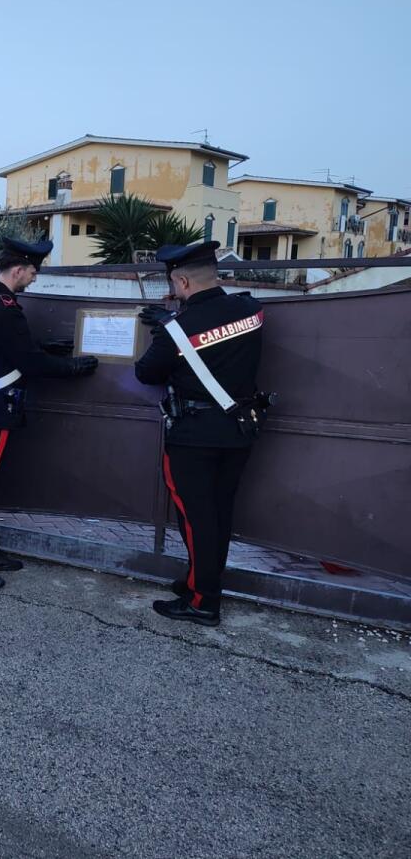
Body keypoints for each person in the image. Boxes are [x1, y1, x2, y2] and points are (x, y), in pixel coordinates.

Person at [0, 238, 99, 590]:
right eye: (32, 272)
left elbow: (1, 347)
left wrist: (44, 347)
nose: (33, 278)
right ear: (18, 269)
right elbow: (29, 363)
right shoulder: (5, 307)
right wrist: (74, 366)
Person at [135, 241, 268, 626]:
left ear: (181, 280)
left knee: (196, 519)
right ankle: (202, 582)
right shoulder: (251, 311)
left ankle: (202, 602)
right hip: (239, 430)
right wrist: (176, 319)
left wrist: (166, 326)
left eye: (176, 285)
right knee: (219, 515)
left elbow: (146, 373)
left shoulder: (177, 329)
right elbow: (216, 328)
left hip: (194, 437)